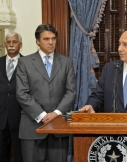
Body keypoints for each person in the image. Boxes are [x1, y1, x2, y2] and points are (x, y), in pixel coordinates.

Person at [16, 24, 76, 162]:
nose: (51, 42)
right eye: (46, 39)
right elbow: (22, 93)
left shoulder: (66, 62)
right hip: (32, 125)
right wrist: (42, 115)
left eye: (53, 38)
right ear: (37, 41)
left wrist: (55, 114)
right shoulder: (24, 62)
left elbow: (71, 92)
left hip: (59, 125)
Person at [0, 32, 24, 162]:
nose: (11, 45)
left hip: (20, 117)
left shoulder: (28, 63)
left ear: (20, 44)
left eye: (14, 42)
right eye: (8, 42)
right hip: (1, 117)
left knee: (21, 155)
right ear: (5, 44)